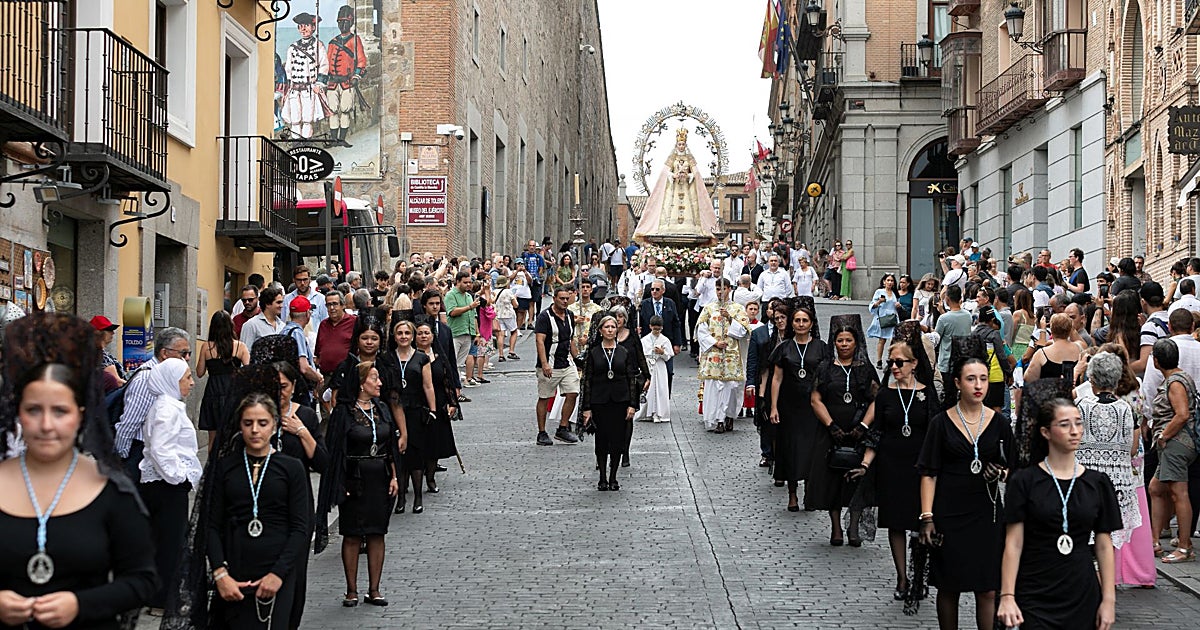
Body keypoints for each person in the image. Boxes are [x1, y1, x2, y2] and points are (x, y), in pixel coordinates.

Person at [0, 314, 155, 629]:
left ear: (80, 415)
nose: (46, 425)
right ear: (18, 414)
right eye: (33, 410)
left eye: (60, 411)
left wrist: (80, 604)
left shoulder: (111, 489)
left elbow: (142, 581)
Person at [997, 398, 1121, 630]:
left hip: (1081, 591)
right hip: (1035, 590)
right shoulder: (1025, 481)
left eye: (1078, 423)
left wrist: (1109, 600)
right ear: (1045, 432)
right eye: (1064, 424)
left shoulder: (1097, 483)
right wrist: (1007, 596)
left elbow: (1104, 545)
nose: (1074, 431)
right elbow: (1013, 543)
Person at [198, 392, 311, 628]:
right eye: (248, 423)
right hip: (234, 572)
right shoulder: (226, 467)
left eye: (262, 423)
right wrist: (220, 574)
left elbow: (301, 527)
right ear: (240, 425)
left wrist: (278, 574)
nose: (255, 430)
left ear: (274, 425)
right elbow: (210, 524)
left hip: (277, 572)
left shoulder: (292, 468)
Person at [918, 357, 1014, 630]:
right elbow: (929, 472)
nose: (978, 385)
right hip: (949, 512)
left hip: (987, 513)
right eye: (971, 379)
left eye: (983, 378)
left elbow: (1015, 468)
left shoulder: (999, 423)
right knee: (949, 585)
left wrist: (1001, 473)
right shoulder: (940, 423)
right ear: (958, 383)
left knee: (987, 589)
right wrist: (927, 516)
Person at [859, 332, 937, 600]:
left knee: (919, 524)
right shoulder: (884, 395)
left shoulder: (928, 394)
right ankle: (902, 578)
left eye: (900, 362)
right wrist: (866, 464)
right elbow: (876, 433)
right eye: (891, 362)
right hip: (891, 466)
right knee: (895, 524)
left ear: (914, 364)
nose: (894, 367)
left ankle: (919, 576)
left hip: (920, 467)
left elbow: (935, 433)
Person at [318, 362, 401, 607]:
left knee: (378, 532)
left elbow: (391, 447)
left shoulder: (382, 408)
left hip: (380, 477)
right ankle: (351, 590)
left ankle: (374, 589)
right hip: (354, 478)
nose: (380, 383)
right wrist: (339, 481)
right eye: (375, 378)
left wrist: (395, 476)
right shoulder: (344, 413)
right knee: (352, 534)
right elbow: (334, 451)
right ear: (361, 383)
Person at [807, 315, 879, 543]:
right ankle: (836, 527)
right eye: (840, 341)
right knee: (832, 480)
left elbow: (877, 400)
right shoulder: (825, 368)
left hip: (858, 429)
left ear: (856, 342)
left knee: (857, 480)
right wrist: (831, 425)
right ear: (834, 343)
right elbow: (815, 399)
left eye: (849, 340)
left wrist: (863, 425)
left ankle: (854, 526)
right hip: (831, 430)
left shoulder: (865, 369)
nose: (845, 344)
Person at [138, 357, 201, 614]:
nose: (191, 382)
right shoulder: (166, 409)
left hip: (165, 484)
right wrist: (179, 476)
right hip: (166, 486)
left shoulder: (169, 405)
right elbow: (161, 450)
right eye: (186, 378)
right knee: (170, 543)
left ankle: (161, 595)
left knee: (167, 540)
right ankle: (162, 599)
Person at [271, 361, 327, 630]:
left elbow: (322, 463)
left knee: (295, 575)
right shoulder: (255, 416)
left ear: (293, 387)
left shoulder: (305, 414)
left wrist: (301, 432)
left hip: (297, 504)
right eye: (273, 386)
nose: (278, 392)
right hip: (265, 505)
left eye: (283, 386)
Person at [1074, 353, 1142, 549]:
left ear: (1092, 378)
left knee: (1087, 547)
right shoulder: (1126, 409)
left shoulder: (1081, 407)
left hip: (1085, 484)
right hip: (1118, 487)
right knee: (1108, 547)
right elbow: (1132, 449)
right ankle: (1107, 579)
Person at [767, 302, 829, 511]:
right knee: (791, 449)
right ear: (792, 324)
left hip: (813, 405)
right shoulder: (784, 347)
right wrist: (773, 407)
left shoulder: (821, 347)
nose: (801, 324)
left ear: (811, 324)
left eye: (805, 320)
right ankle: (792, 493)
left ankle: (810, 493)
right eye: (797, 320)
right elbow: (776, 379)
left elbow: (827, 378)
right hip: (789, 406)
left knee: (812, 450)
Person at [113, 326, 193, 477]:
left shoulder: (166, 376)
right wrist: (122, 458)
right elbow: (129, 422)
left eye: (189, 353)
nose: (187, 357)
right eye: (183, 353)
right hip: (137, 452)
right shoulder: (147, 378)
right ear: (164, 353)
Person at [1146, 338, 1198, 563]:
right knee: (1156, 489)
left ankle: (1184, 546)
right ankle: (1154, 540)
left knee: (1179, 493)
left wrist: (1163, 436)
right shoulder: (1180, 377)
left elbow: (1182, 414)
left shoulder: (1175, 382)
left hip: (1177, 443)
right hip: (1177, 443)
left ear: (1156, 362)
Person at [380, 319, 438, 514]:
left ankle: (418, 497)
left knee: (415, 453)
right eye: (400, 333)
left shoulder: (421, 358)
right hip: (394, 409)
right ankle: (401, 497)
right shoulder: (387, 358)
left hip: (415, 410)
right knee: (398, 455)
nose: (403, 337)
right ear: (394, 337)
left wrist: (433, 410)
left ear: (412, 336)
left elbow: (428, 385)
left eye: (407, 333)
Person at [579, 316, 641, 491]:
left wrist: (632, 404)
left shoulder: (623, 352)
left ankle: (613, 477)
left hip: (620, 401)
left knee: (617, 440)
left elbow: (631, 379)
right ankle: (602, 478)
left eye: (613, 327)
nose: (610, 330)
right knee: (601, 440)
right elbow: (588, 380)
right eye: (606, 327)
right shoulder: (594, 353)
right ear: (600, 330)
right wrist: (587, 408)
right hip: (600, 402)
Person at [696, 279, 751, 433]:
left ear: (729, 289)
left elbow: (743, 331)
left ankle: (729, 416)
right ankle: (717, 419)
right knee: (714, 388)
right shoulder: (709, 308)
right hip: (714, 354)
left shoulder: (738, 309)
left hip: (731, 355)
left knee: (731, 387)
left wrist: (729, 318)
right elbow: (701, 330)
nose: (720, 292)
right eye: (718, 289)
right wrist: (714, 342)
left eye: (723, 289)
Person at [412, 320, 459, 493]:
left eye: (427, 333)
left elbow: (447, 378)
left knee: (434, 443)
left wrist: (452, 402)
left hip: (438, 403)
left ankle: (430, 478)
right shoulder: (411, 356)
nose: (423, 336)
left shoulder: (439, 356)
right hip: (417, 403)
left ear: (432, 336)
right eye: (420, 333)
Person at [534, 287, 581, 446]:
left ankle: (563, 427)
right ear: (554, 298)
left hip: (566, 362)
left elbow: (571, 339)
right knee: (544, 397)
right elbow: (540, 341)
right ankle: (542, 432)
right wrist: (545, 363)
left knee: (573, 392)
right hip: (550, 363)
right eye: (562, 298)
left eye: (567, 298)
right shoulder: (544, 317)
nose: (565, 301)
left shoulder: (569, 315)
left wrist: (577, 359)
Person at [197, 310, 250, 442]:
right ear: (230, 326)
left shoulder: (206, 347)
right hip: (233, 391)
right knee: (233, 435)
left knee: (213, 439)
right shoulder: (240, 347)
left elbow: (199, 372)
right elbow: (249, 372)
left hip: (213, 392)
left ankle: (213, 462)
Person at [751, 302, 791, 470]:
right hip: (770, 386)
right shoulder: (770, 340)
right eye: (777, 318)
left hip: (790, 387)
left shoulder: (792, 340)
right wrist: (760, 393)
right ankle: (768, 454)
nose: (780, 321)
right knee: (768, 422)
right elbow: (764, 369)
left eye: (783, 317)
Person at [280, 12, 328, 138]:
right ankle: (297, 143)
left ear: (313, 27)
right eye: (301, 26)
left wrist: (319, 84)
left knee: (307, 119)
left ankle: (306, 142)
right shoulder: (293, 48)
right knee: (295, 119)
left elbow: (324, 66)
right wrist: (288, 88)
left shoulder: (318, 46)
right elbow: (288, 70)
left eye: (306, 25)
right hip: (294, 89)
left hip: (309, 89)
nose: (304, 29)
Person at [637, 279, 683, 392]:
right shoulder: (644, 304)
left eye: (657, 289)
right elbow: (638, 321)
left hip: (666, 341)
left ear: (663, 290)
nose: (654, 291)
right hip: (649, 342)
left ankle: (666, 396)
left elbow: (676, 323)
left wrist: (677, 343)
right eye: (652, 289)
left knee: (668, 372)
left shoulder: (670, 303)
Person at [973, 306, 1014, 414]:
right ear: (992, 320)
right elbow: (1002, 356)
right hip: (995, 376)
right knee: (996, 408)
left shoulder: (973, 333)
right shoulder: (994, 334)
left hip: (978, 376)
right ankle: (996, 430)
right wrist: (1009, 373)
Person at [933, 285, 974, 388]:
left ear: (947, 299)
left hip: (947, 362)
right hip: (963, 359)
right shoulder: (968, 315)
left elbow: (936, 337)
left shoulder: (943, 319)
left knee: (948, 392)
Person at [444, 272, 481, 384]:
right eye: (465, 282)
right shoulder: (451, 295)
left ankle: (457, 384)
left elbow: (474, 316)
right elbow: (452, 312)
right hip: (456, 333)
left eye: (470, 282)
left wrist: (477, 333)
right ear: (458, 282)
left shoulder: (469, 296)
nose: (468, 285)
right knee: (452, 360)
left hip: (468, 333)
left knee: (460, 362)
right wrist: (470, 307)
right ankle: (452, 384)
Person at [637, 316, 673, 422]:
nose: (657, 331)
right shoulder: (645, 340)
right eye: (654, 329)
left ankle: (659, 413)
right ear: (650, 327)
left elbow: (668, 356)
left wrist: (662, 352)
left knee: (661, 389)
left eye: (659, 329)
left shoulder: (665, 340)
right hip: (648, 366)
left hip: (659, 366)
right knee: (649, 389)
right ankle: (648, 413)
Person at [867, 274, 900, 369]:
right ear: (884, 282)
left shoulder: (895, 293)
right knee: (882, 339)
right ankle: (879, 360)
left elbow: (897, 305)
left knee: (893, 340)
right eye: (888, 280)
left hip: (893, 318)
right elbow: (872, 305)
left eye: (892, 281)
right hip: (883, 318)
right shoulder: (879, 292)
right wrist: (879, 302)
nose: (890, 282)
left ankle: (890, 359)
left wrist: (898, 305)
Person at [240, 287, 286, 352]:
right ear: (267, 304)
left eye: (281, 302)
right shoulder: (251, 325)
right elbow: (245, 353)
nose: (281, 306)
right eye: (278, 302)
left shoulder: (282, 325)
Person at [90, 315, 125, 391]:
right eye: (109, 330)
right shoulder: (98, 354)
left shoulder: (98, 352)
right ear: (99, 333)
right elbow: (118, 381)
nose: (113, 333)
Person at [494, 276, 519, 361]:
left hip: (498, 314)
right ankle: (511, 351)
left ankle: (501, 355)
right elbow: (516, 305)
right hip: (508, 314)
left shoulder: (494, 292)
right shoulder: (509, 292)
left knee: (501, 334)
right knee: (514, 331)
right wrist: (515, 298)